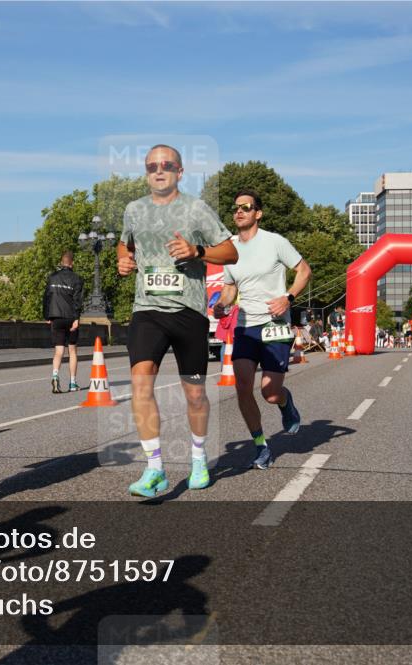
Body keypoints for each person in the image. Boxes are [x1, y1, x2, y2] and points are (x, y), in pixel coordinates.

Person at [117, 144, 237, 497]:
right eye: (152, 166)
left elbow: (230, 251)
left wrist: (197, 251)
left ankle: (198, 459)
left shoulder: (196, 209)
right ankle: (155, 468)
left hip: (189, 312)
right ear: (146, 172)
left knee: (195, 393)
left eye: (166, 165)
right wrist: (124, 261)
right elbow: (125, 245)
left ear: (179, 172)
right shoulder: (134, 210)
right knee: (141, 384)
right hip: (147, 309)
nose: (159, 170)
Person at [212, 191, 311, 470]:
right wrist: (222, 305)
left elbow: (304, 270)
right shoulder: (230, 248)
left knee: (269, 392)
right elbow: (230, 288)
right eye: (236, 208)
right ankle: (261, 446)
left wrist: (287, 298)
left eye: (247, 207)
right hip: (245, 325)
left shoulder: (275, 242)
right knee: (242, 387)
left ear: (258, 213)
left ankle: (285, 401)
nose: (239, 211)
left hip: (274, 325)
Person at [43, 250, 84, 393]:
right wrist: (77, 318)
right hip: (70, 318)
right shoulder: (77, 279)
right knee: (72, 351)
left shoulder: (52, 278)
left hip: (56, 317)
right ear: (72, 263)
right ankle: (72, 383)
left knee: (58, 350)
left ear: (61, 263)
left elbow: (47, 298)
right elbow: (77, 301)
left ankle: (55, 376)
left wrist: (47, 316)